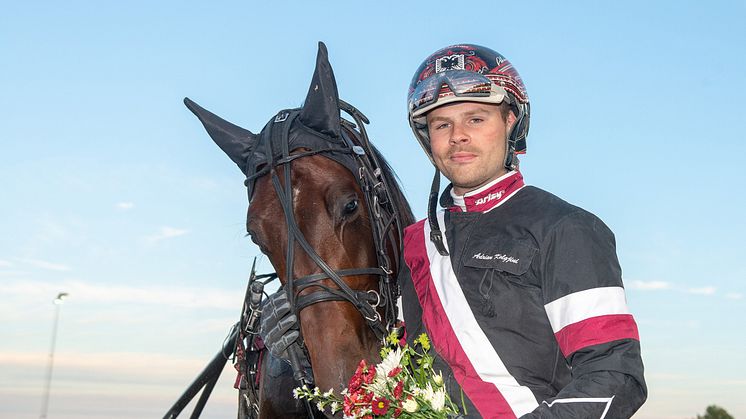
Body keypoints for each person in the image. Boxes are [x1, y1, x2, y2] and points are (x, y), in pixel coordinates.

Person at [400, 44, 647, 418]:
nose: (458, 136)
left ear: (511, 122)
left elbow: (615, 375)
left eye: (476, 119)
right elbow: (383, 366)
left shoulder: (565, 228)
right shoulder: (413, 244)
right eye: (441, 124)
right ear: (428, 139)